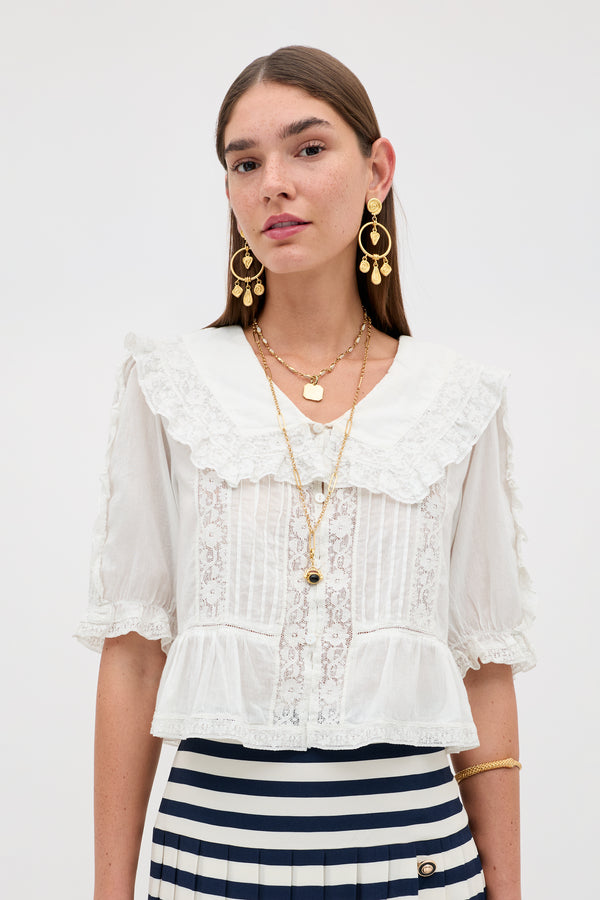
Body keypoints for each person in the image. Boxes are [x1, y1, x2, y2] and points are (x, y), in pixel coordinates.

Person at [76, 46, 535, 900]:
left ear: (378, 169)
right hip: (206, 868)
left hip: (422, 869)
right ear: (228, 193)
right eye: (244, 163)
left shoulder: (458, 400)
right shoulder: (171, 386)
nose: (272, 184)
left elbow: (485, 668)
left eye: (308, 148)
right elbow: (134, 654)